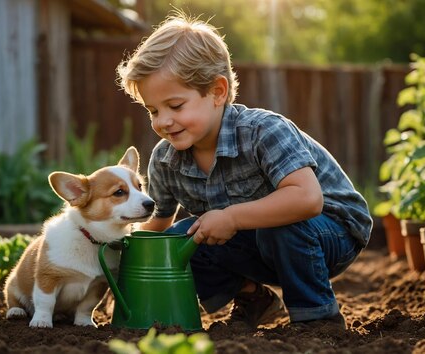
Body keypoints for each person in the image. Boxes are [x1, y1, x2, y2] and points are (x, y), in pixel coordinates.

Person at [116, 12, 372, 329]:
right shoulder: (166, 159)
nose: (163, 121)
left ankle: (318, 317)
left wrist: (232, 217)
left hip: (332, 231)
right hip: (258, 244)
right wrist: (121, 257)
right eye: (153, 110)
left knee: (281, 223)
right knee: (181, 238)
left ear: (218, 92)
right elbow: (157, 229)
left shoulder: (263, 131)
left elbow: (307, 200)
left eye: (176, 106)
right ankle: (254, 297)